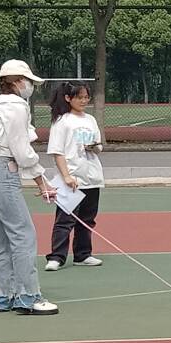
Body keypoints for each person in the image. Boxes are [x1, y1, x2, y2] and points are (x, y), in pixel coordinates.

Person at [0, 59, 60, 315]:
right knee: (23, 234)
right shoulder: (15, 106)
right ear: (18, 81)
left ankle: (6, 295)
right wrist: (42, 180)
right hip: (2, 169)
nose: (31, 86)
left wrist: (39, 179)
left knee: (2, 236)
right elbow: (21, 150)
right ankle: (28, 296)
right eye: (29, 81)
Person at [44, 82, 104, 271]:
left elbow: (99, 146)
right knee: (65, 220)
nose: (84, 101)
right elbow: (57, 152)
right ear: (68, 98)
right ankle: (56, 257)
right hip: (71, 179)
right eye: (79, 97)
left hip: (91, 177)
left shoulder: (90, 120)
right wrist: (66, 176)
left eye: (86, 97)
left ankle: (83, 254)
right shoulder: (62, 121)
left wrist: (94, 147)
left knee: (87, 219)